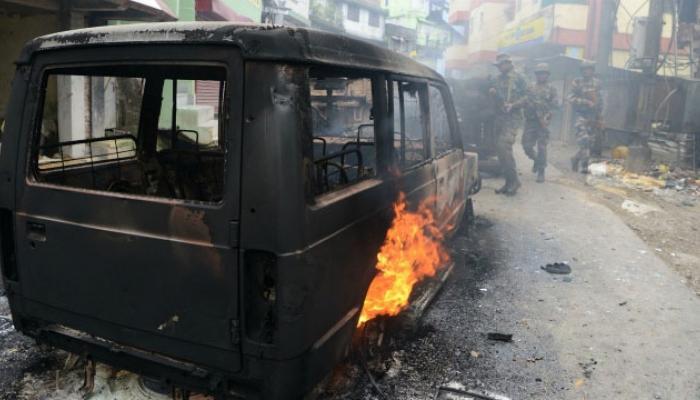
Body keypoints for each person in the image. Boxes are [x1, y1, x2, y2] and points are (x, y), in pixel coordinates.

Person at [488, 53, 528, 195]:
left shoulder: (520, 77)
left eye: (501, 65)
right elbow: (493, 97)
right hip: (499, 118)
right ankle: (509, 182)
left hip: (513, 118)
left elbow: (528, 96)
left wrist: (514, 105)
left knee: (504, 146)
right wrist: (492, 94)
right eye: (498, 65)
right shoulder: (496, 79)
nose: (499, 68)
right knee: (499, 150)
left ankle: (514, 181)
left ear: (508, 63)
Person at [522, 63, 558, 183]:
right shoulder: (530, 87)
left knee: (542, 147)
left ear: (547, 75)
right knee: (526, 145)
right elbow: (524, 100)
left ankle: (541, 171)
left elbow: (555, 105)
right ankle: (537, 160)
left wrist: (547, 116)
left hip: (543, 122)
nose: (541, 76)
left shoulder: (552, 89)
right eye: (538, 73)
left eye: (543, 73)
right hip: (530, 121)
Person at [568, 60, 603, 173]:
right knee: (585, 140)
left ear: (592, 71)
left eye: (589, 69)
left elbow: (600, 99)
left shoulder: (597, 83)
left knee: (590, 142)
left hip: (593, 116)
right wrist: (585, 102)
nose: (587, 72)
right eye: (584, 70)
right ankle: (585, 166)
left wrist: (600, 116)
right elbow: (570, 98)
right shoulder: (577, 82)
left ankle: (575, 158)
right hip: (581, 116)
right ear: (581, 71)